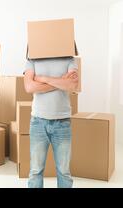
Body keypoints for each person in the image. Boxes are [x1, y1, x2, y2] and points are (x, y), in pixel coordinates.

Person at [23, 57, 79, 188]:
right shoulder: (32, 59)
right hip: (38, 122)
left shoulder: (69, 59)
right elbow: (29, 87)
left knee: (64, 172)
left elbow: (72, 85)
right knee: (36, 171)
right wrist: (60, 81)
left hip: (62, 122)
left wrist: (43, 78)